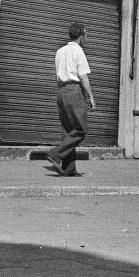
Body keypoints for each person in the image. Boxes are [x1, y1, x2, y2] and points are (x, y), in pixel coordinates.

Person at [45, 22, 96, 177]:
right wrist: (91, 96)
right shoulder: (78, 51)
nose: (86, 38)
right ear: (81, 36)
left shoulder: (59, 51)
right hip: (74, 91)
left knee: (68, 131)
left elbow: (58, 74)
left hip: (61, 91)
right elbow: (83, 76)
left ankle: (69, 169)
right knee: (81, 129)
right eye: (85, 35)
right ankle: (55, 153)